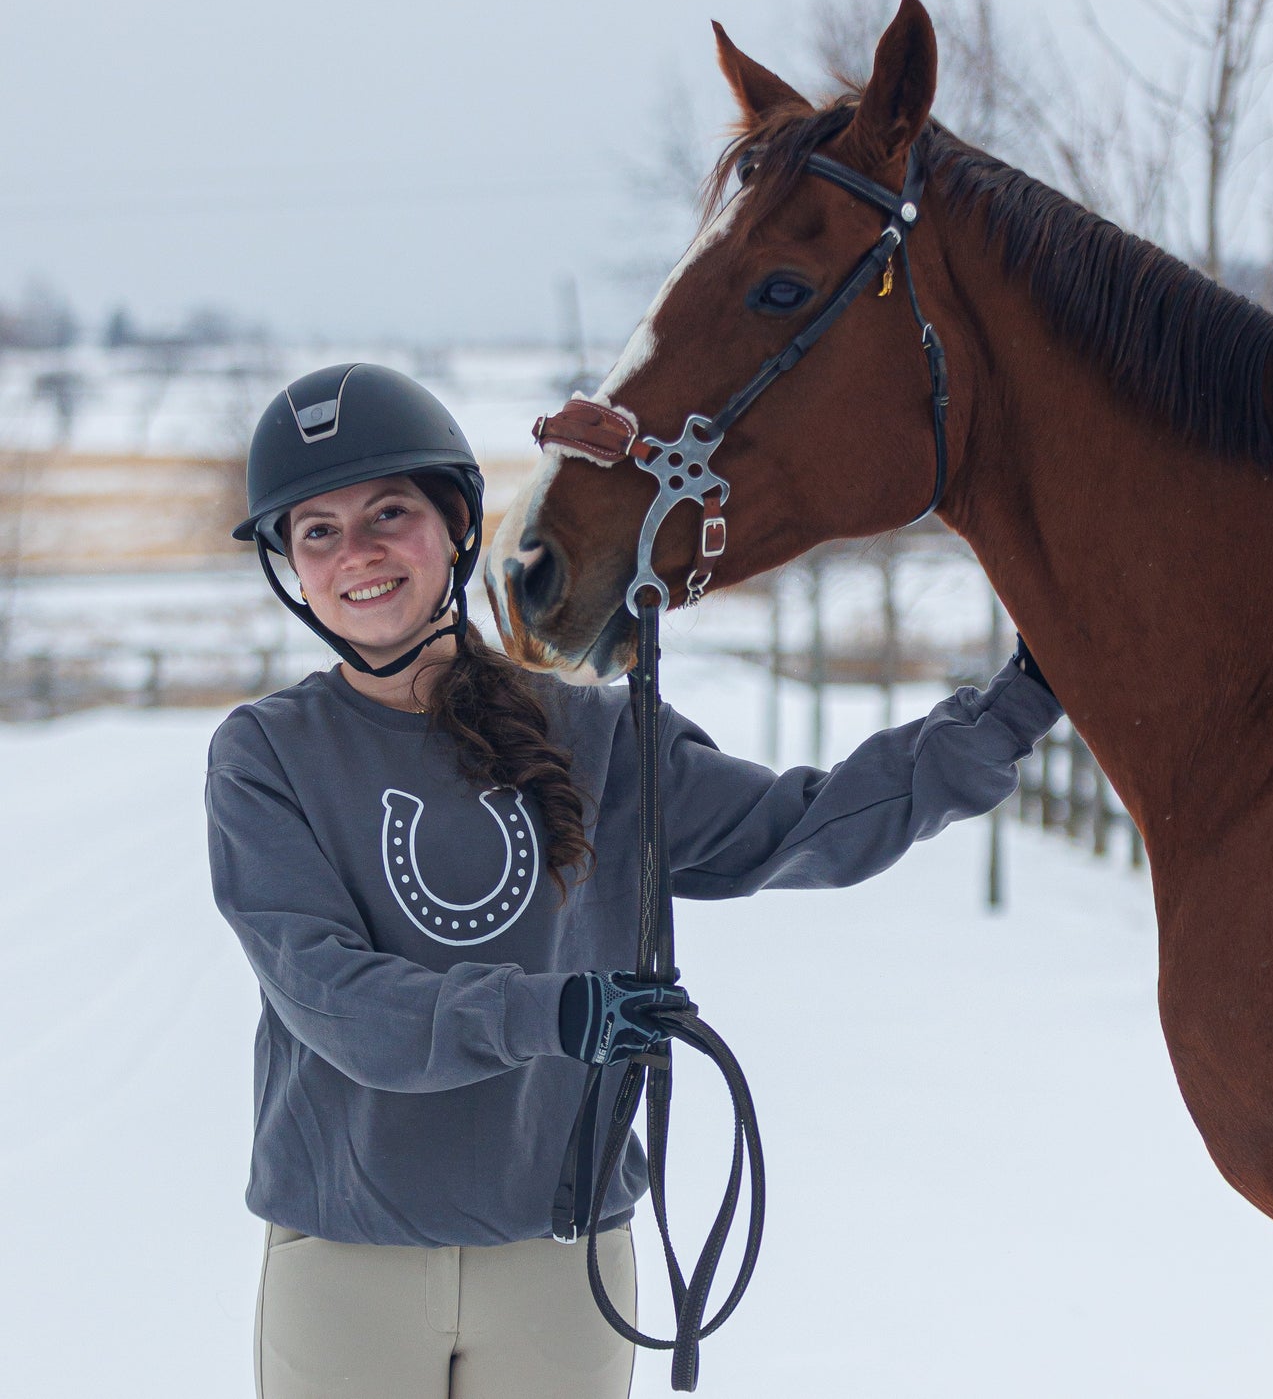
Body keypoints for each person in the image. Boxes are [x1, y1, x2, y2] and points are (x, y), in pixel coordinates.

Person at [206, 362, 1062, 1399]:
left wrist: (1016, 704)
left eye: (389, 512)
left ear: (456, 525)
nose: (359, 553)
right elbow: (335, 1001)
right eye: (318, 532)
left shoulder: (591, 732)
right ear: (291, 567)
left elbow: (801, 823)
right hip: (346, 1263)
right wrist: (554, 1010)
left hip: (562, 1266)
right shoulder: (265, 754)